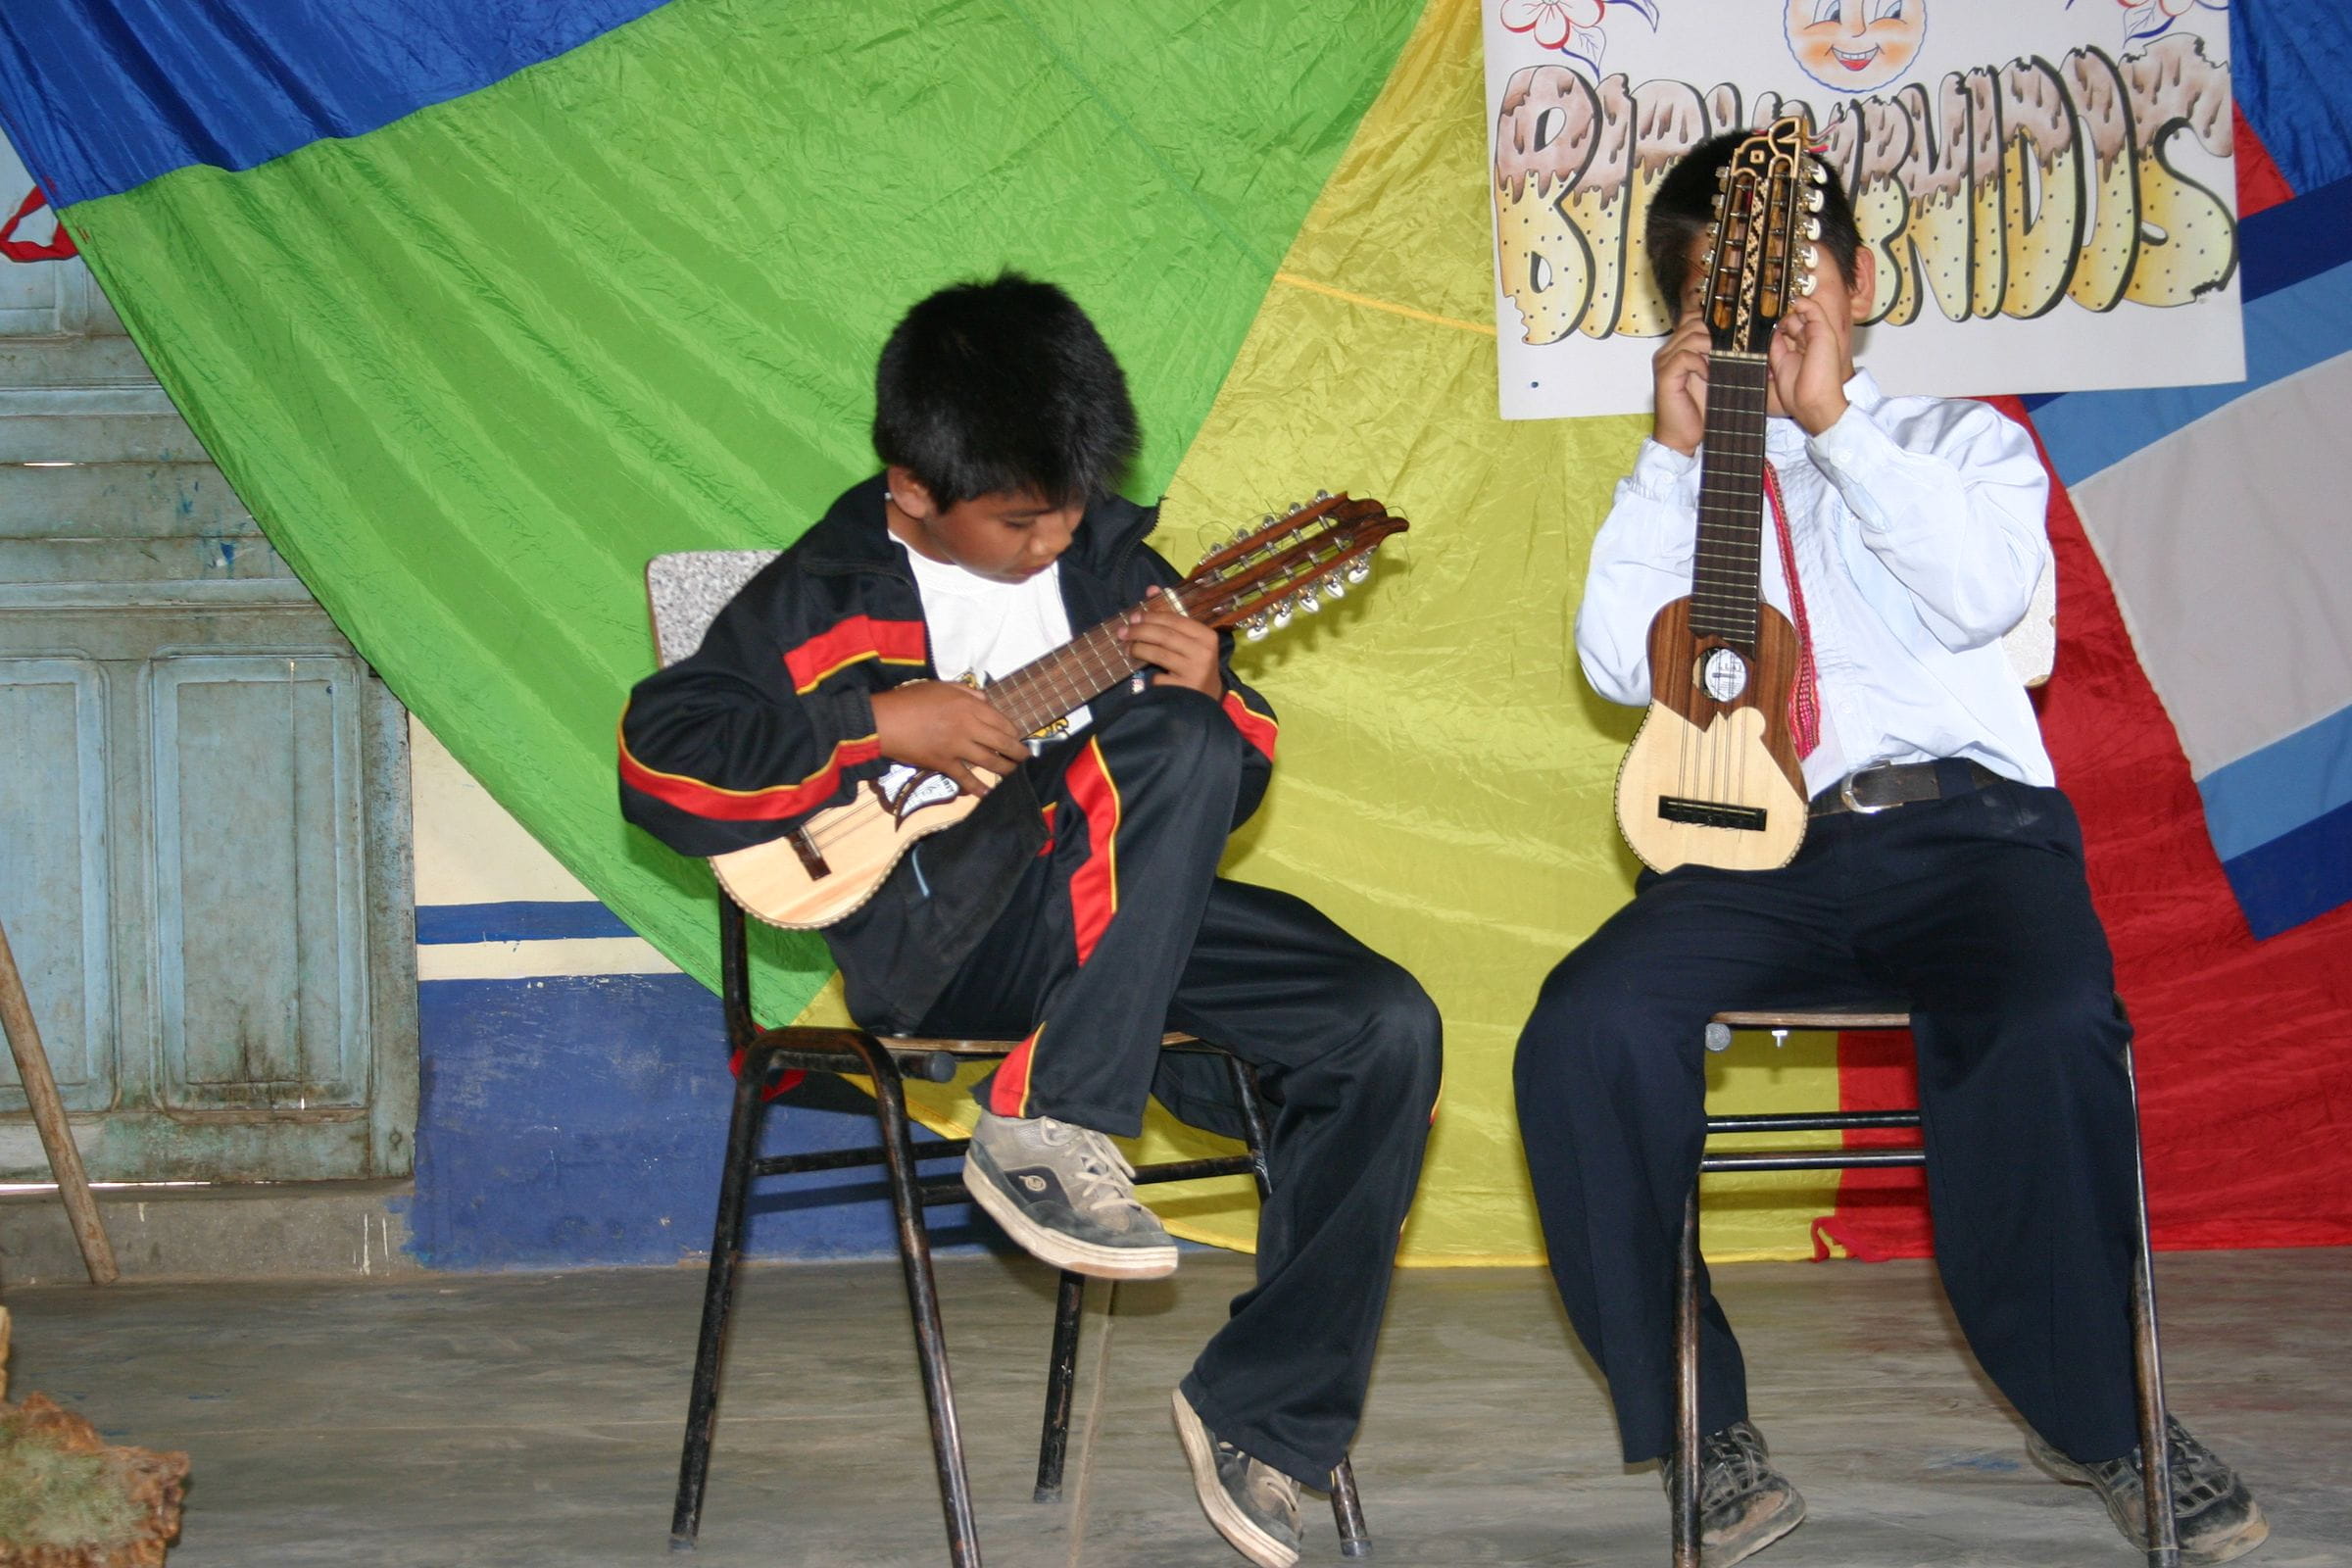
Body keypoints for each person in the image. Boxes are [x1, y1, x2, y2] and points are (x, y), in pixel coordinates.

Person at [1512, 133, 2267, 1566]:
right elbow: (1622, 664)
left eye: (1794, 281)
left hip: (1970, 833)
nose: (1765, 316)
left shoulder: (1958, 445)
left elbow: (1985, 593)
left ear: (1859, 281)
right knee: (1585, 1028)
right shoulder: (1691, 487)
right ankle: (1697, 1420)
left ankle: (2102, 1416)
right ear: (1690, 317)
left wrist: (1836, 426)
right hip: (1753, 851)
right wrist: (1676, 462)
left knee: (2047, 1022)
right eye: (1719, 295)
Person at [618, 273, 1441, 1568]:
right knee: (1163, 744)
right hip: (939, 949)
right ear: (911, 489)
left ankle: (1264, 1415)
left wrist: (1220, 687)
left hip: (1114, 924)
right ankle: (1050, 1115)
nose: (1055, 539)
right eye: (1017, 521)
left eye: (1070, 506)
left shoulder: (1114, 562)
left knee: (1383, 1025)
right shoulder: (826, 588)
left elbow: (1223, 779)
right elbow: (659, 757)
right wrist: (878, 720)